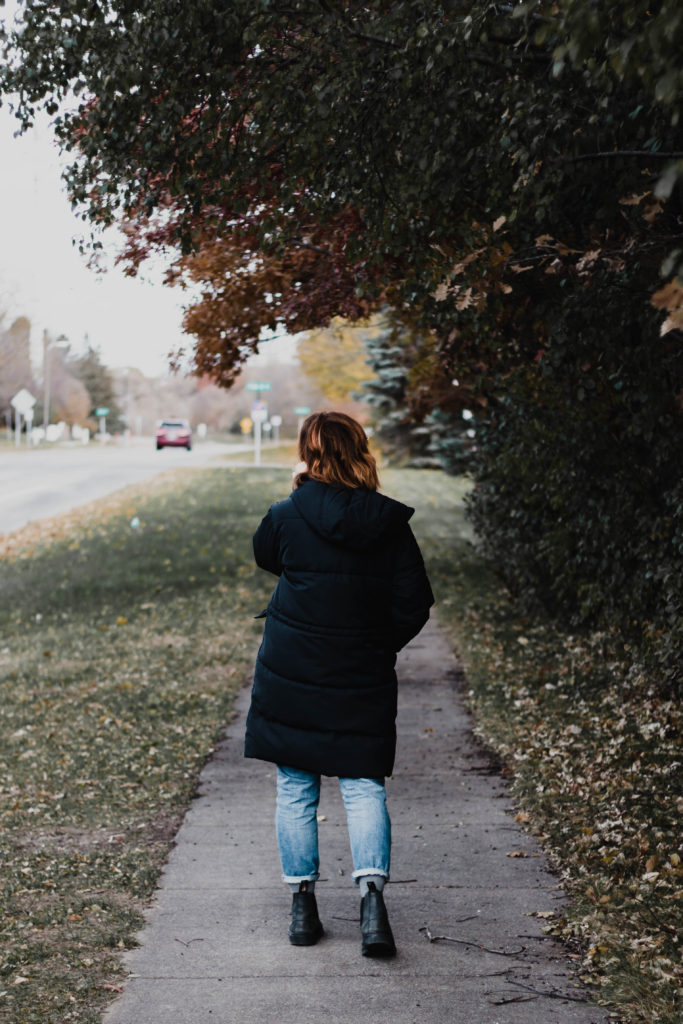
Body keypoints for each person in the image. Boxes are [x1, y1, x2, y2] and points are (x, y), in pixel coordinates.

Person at [244, 411, 434, 957]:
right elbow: (414, 602)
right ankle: (372, 906)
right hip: (361, 673)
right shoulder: (389, 523)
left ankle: (303, 909)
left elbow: (265, 556)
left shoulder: (286, 515)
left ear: (309, 453)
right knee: (363, 786)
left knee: (296, 788)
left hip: (291, 671)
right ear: (360, 450)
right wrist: (377, 644)